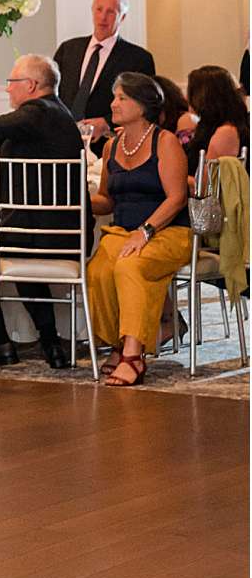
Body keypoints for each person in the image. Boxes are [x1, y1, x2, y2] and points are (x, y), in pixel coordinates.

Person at [0, 54, 84, 372]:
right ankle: (51, 343)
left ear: (31, 85)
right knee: (14, 248)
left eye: (12, 82)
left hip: (35, 235)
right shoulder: (59, 116)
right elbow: (35, 190)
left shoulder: (37, 112)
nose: (7, 89)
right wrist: (2, 220)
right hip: (64, 235)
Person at [86, 73, 191, 387]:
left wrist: (145, 232)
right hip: (124, 231)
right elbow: (106, 200)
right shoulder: (111, 146)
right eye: (114, 97)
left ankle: (134, 354)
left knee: (130, 265)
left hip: (168, 232)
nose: (113, 104)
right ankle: (119, 343)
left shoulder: (165, 141)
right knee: (99, 271)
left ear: (142, 105)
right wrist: (78, 197)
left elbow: (177, 198)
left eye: (121, 98)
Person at [55, 0, 155, 143]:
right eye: (99, 9)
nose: (103, 17)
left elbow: (144, 105)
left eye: (111, 12)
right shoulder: (68, 49)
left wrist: (107, 123)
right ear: (92, 11)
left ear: (122, 17)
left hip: (108, 143)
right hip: (64, 139)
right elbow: (53, 92)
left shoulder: (138, 58)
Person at [184, 65, 250, 171]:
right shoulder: (207, 125)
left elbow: (211, 182)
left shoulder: (226, 132)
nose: (186, 97)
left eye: (191, 91)